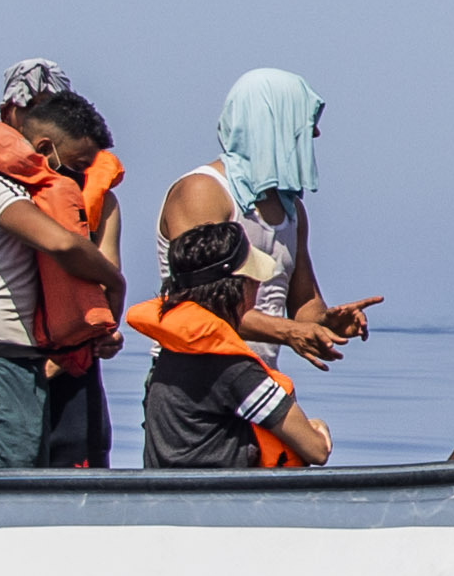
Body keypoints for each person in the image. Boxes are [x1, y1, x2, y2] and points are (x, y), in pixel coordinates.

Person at [0, 82, 127, 472]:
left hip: (18, 369)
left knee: (18, 497)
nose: (78, 179)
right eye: (75, 165)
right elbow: (64, 246)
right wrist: (115, 283)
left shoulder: (19, 198)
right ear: (42, 150)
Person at [156, 70, 376, 365]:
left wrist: (324, 323)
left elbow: (303, 300)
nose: (315, 134)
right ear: (272, 125)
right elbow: (204, 303)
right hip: (193, 381)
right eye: (305, 123)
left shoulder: (291, 209)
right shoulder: (204, 191)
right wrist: (289, 331)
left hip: (255, 377)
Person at [132, 214, 332, 472]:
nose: (258, 286)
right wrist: (319, 429)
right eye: (252, 280)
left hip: (170, 497)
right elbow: (315, 451)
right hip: (220, 503)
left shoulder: (172, 353)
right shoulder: (236, 372)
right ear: (235, 289)